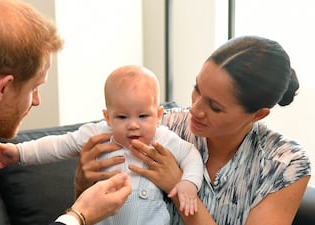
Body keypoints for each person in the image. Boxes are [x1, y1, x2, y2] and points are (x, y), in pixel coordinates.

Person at [0, 0, 131, 225]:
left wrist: (80, 193)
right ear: (3, 88)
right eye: (34, 88)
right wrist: (79, 216)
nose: (36, 101)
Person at [74, 36, 312, 225]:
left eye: (215, 107)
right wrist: (83, 183)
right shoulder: (161, 126)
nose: (195, 110)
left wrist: (178, 188)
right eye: (197, 89)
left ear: (258, 114)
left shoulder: (284, 165)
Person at [0, 65, 204, 224]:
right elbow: (58, 145)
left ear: (158, 115)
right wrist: (19, 152)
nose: (133, 126)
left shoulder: (163, 138)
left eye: (142, 116)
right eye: (122, 117)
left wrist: (188, 184)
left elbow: (191, 155)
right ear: (107, 117)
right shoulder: (99, 133)